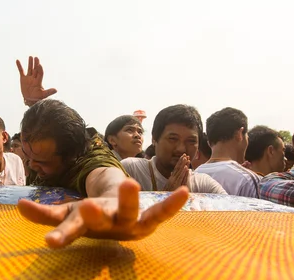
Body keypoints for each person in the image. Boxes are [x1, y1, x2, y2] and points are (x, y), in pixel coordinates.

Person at [14, 56, 189, 249]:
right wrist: (34, 105)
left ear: (71, 157)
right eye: (27, 156)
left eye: (41, 161)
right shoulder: (45, 140)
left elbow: (106, 177)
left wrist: (112, 204)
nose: (30, 165)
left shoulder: (92, 159)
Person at [121, 104, 226, 193]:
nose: (181, 149)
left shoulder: (203, 185)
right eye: (173, 139)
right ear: (154, 139)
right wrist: (166, 196)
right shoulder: (131, 170)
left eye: (191, 141)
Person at [195, 107, 260, 198]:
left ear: (209, 142)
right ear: (239, 134)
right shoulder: (246, 179)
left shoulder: (195, 175)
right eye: (246, 136)